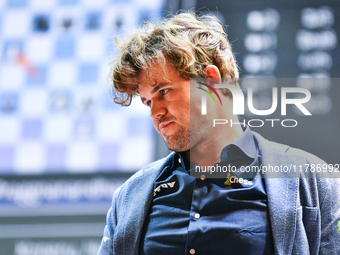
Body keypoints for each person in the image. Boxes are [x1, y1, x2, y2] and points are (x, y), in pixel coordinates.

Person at [98, 12, 340, 255]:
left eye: (163, 92)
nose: (155, 113)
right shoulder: (129, 197)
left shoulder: (316, 182)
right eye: (147, 102)